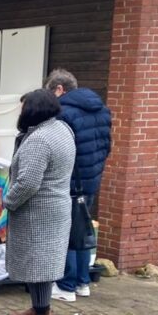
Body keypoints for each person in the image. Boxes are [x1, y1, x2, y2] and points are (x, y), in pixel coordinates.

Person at [4, 89, 76, 315]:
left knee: (38, 263)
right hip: (56, 207)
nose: (20, 112)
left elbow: (28, 183)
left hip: (38, 212)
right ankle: (38, 308)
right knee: (42, 262)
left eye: (23, 107)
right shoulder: (62, 129)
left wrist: (8, 201)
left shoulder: (39, 140)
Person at [46, 69, 112, 302]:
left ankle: (66, 285)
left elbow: (60, 150)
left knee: (65, 233)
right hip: (91, 179)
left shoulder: (63, 113)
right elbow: (107, 147)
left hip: (69, 181)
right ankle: (83, 282)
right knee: (83, 230)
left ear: (59, 89)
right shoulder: (103, 110)